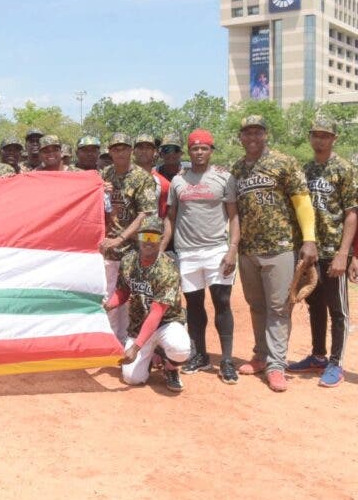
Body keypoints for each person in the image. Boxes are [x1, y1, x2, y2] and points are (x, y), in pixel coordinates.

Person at [231, 115, 318, 392]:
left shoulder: (284, 162)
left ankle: (277, 364)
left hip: (280, 246)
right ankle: (260, 355)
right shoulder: (237, 169)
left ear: (266, 135)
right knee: (256, 305)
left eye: (257, 132)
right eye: (247, 132)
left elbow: (302, 201)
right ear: (241, 137)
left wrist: (309, 239)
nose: (252, 137)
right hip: (248, 249)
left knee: (279, 307)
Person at [162, 129, 240, 384]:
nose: (199, 152)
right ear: (188, 152)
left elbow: (234, 216)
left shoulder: (224, 178)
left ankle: (227, 360)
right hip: (187, 252)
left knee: (222, 302)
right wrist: (162, 249)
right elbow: (170, 219)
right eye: (194, 148)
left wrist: (232, 249)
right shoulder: (178, 181)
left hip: (216, 250)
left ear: (211, 150)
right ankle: (201, 355)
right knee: (194, 306)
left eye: (204, 148)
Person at [287, 117, 357, 388]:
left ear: (334, 139)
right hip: (311, 248)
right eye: (316, 135)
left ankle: (336, 363)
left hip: (333, 250)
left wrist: (345, 254)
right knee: (314, 303)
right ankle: (318, 355)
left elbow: (352, 215)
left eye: (325, 135)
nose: (320, 140)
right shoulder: (305, 169)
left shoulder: (344, 168)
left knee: (338, 309)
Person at [105, 216, 190, 392]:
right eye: (145, 237)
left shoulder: (167, 268)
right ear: (138, 238)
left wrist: (136, 348)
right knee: (132, 379)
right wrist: (108, 305)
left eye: (153, 237)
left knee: (180, 349)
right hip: (138, 325)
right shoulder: (128, 261)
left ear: (160, 239)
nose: (148, 242)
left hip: (166, 323)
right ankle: (152, 355)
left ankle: (171, 366)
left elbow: (157, 312)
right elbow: (123, 292)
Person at [99, 133, 158, 343]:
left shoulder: (143, 178)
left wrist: (121, 238)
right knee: (110, 298)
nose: (120, 152)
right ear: (110, 151)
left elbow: (146, 215)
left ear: (131, 150)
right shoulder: (104, 174)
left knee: (134, 299)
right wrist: (98, 191)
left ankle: (136, 343)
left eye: (124, 148)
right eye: (116, 148)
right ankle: (114, 341)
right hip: (109, 250)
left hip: (134, 250)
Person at [133, 133, 170, 218]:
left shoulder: (164, 184)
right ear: (133, 151)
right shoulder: (122, 177)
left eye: (148, 148)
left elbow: (164, 216)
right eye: (140, 147)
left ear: (155, 152)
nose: (144, 151)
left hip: (150, 230)